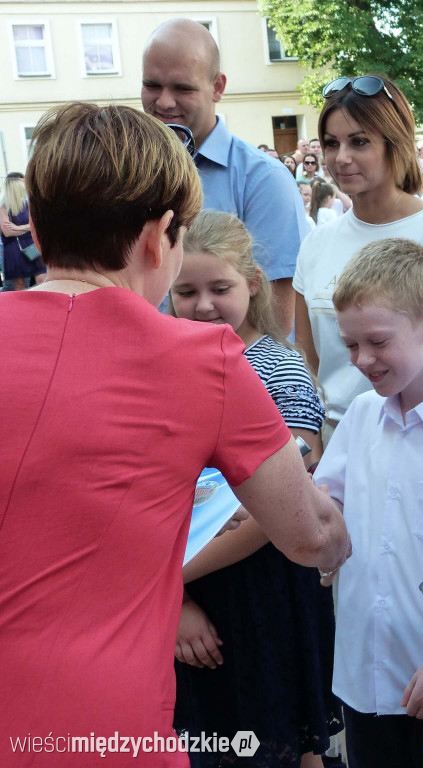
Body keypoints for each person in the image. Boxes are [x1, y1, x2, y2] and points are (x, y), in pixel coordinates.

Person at [0, 102, 350, 768]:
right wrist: (333, 521)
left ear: (37, 231)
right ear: (161, 237)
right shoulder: (206, 360)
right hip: (103, 729)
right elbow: (308, 536)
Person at [168, 210, 337, 768]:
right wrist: (179, 601)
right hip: (190, 596)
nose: (203, 305)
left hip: (263, 588)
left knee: (288, 743)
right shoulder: (165, 367)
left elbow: (279, 511)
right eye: (185, 291)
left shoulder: (278, 368)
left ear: (254, 284)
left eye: (220, 288)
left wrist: (166, 584)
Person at [314, 238, 423, 768]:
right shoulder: (362, 415)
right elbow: (328, 497)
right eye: (351, 345)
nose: (362, 360)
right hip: (364, 680)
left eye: (378, 342)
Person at [293, 75, 423, 438]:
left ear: (394, 144)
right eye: (331, 144)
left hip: (417, 439)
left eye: (359, 142)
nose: (341, 158)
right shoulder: (316, 243)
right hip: (332, 444)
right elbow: (310, 365)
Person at [141, 19, 306, 331]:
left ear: (217, 87)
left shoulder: (263, 180)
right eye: (152, 85)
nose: (163, 102)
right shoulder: (125, 175)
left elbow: (277, 323)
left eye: (182, 88)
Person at [1, 172, 44, 290]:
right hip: (14, 246)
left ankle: (43, 306)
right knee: (19, 284)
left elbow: (37, 225)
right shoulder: (4, 206)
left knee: (42, 279)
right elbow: (7, 232)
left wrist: (18, 227)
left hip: (31, 244)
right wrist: (28, 228)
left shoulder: (30, 202)